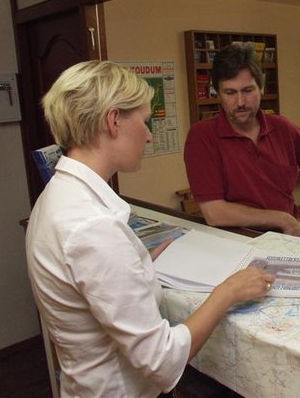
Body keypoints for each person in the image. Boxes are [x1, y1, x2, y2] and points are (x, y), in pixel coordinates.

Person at [25, 60, 275, 397]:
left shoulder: (58, 196)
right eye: (143, 121)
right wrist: (227, 291)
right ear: (113, 121)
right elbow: (163, 362)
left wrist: (140, 261)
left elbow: (96, 282)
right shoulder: (91, 226)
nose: (148, 135)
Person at [184, 44, 300, 238]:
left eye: (248, 90)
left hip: (288, 239)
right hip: (236, 244)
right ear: (218, 93)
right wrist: (282, 219)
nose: (240, 102)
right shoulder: (202, 136)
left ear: (261, 87)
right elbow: (215, 213)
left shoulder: (283, 127)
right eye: (230, 92)